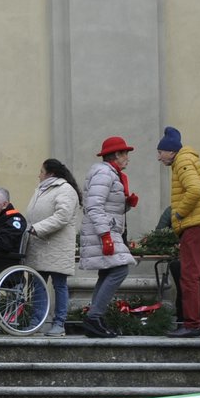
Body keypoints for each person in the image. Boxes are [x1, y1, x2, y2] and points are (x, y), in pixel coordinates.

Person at [157, 126, 200, 338]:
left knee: (189, 276)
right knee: (199, 276)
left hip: (194, 225)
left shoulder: (182, 161)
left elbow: (195, 189)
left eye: (160, 152)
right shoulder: (188, 159)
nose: (159, 157)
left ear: (171, 151)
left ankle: (192, 325)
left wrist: (179, 215)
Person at [80, 135, 139, 338]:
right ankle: (94, 317)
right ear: (116, 155)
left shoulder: (109, 173)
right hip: (104, 231)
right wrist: (105, 234)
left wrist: (126, 204)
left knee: (108, 272)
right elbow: (94, 206)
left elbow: (105, 205)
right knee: (120, 269)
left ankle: (95, 318)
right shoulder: (105, 173)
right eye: (125, 154)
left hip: (107, 229)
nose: (128, 159)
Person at [22, 159, 81, 336]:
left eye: (41, 171)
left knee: (59, 285)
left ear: (50, 173)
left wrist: (37, 228)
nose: (38, 174)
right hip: (39, 245)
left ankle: (59, 323)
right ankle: (36, 322)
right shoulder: (42, 189)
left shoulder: (65, 190)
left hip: (56, 246)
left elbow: (62, 216)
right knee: (38, 285)